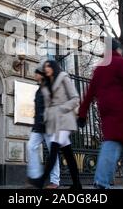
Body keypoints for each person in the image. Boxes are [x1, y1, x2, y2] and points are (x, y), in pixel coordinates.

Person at [78, 39, 123, 189]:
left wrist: (82, 113)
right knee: (115, 142)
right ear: (117, 49)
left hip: (105, 110)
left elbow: (89, 92)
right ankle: (102, 181)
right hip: (120, 110)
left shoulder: (100, 68)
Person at [30, 60, 82, 189]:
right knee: (68, 154)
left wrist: (61, 109)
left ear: (53, 67)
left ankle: (40, 181)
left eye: (48, 66)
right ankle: (77, 184)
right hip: (55, 123)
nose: (46, 68)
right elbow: (48, 106)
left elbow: (75, 99)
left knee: (53, 150)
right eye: (45, 67)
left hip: (65, 120)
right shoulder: (47, 84)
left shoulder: (64, 77)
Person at [26, 67, 60, 189]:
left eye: (36, 73)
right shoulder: (39, 90)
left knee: (53, 152)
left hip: (50, 125)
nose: (35, 75)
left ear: (41, 75)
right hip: (39, 126)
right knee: (30, 146)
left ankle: (55, 181)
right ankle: (35, 177)